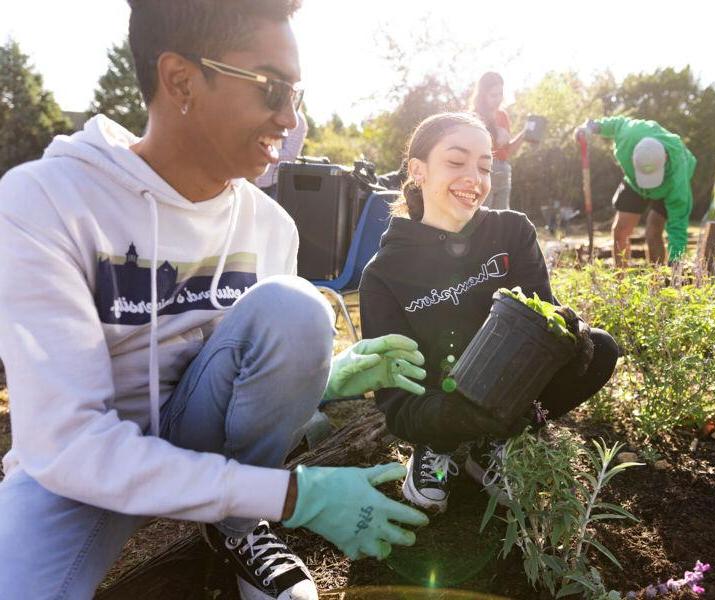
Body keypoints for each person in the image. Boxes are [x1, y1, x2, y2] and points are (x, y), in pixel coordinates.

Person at [0, 2, 429, 599]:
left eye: (297, 94)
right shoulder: (43, 202)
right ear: (181, 80)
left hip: (194, 434)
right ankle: (251, 504)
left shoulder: (271, 226)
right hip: (82, 471)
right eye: (273, 89)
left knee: (297, 307)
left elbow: (239, 370)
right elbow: (66, 442)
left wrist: (324, 377)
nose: (290, 117)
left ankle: (235, 531)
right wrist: (296, 495)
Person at [359, 112, 619, 513]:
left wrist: (568, 327)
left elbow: (544, 321)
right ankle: (436, 451)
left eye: (485, 166)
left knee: (599, 349)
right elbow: (394, 395)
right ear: (418, 170)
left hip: (511, 389)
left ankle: (495, 443)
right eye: (456, 161)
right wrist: (444, 417)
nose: (475, 178)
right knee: (432, 419)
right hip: (436, 404)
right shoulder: (384, 273)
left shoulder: (512, 232)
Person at [577, 116, 697, 265]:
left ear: (665, 158)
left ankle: (657, 282)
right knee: (620, 231)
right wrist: (591, 127)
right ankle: (620, 283)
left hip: (666, 186)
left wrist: (676, 264)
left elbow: (677, 226)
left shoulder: (678, 177)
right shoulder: (629, 134)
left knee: (653, 231)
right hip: (635, 182)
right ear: (633, 157)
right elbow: (614, 124)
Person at [469, 71, 529, 210]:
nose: (498, 99)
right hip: (484, 170)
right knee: (483, 218)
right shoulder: (474, 117)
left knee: (502, 220)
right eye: (493, 95)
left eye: (500, 94)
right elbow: (473, 150)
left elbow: (507, 151)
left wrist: (524, 134)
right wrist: (494, 137)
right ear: (483, 95)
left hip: (504, 170)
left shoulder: (502, 115)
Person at [255, 110, 308, 198]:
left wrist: (264, 151)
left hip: (276, 186)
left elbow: (290, 155)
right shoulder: (263, 111)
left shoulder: (298, 119)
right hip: (254, 183)